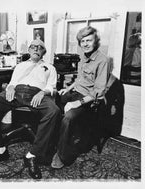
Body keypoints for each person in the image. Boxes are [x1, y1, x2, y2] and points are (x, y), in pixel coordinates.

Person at [0, 39, 61, 179]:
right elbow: (13, 82)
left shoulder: (50, 67)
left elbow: (52, 87)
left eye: (40, 47)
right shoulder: (20, 65)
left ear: (43, 52)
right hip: (16, 92)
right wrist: (10, 87)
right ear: (29, 50)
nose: (36, 49)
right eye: (33, 47)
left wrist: (43, 92)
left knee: (54, 111)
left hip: (37, 93)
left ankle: (33, 154)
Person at [51, 26, 110, 169]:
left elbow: (99, 92)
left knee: (68, 117)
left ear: (96, 41)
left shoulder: (103, 61)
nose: (85, 44)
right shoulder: (83, 57)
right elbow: (80, 79)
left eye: (89, 40)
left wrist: (77, 103)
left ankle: (61, 154)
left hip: (88, 100)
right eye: (83, 41)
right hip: (75, 92)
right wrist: (68, 88)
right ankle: (51, 142)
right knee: (51, 105)